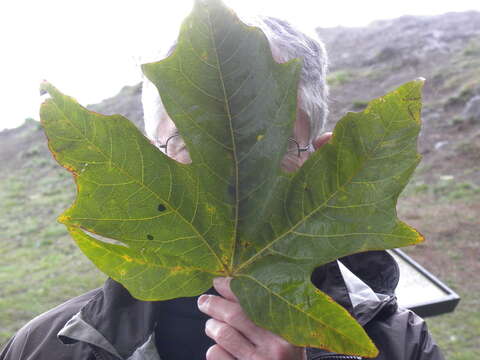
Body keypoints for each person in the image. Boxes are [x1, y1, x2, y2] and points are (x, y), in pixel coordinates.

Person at [0, 16, 444, 360]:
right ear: (147, 157)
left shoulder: (400, 345)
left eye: (271, 145)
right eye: (190, 142)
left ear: (324, 164)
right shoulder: (41, 348)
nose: (233, 178)